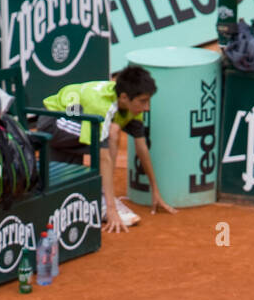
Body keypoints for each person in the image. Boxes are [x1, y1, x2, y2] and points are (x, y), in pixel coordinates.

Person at [39, 66, 177, 233]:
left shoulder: (131, 104)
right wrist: (111, 210)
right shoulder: (101, 107)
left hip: (75, 119)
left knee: (62, 186)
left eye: (148, 101)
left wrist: (155, 190)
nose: (146, 107)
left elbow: (142, 148)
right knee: (111, 134)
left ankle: (104, 198)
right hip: (54, 120)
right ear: (125, 97)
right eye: (143, 101)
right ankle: (106, 201)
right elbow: (103, 157)